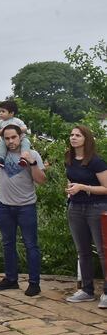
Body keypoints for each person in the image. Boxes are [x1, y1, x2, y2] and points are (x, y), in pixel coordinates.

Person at [0, 124, 46, 295]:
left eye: (14, 137)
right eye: (7, 138)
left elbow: (41, 180)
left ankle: (34, 283)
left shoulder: (32, 154)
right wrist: (0, 130)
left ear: (21, 137)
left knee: (31, 245)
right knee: (7, 244)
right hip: (4, 206)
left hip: (26, 207)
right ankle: (11, 279)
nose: (11, 141)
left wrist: (31, 163)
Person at [63, 125, 107, 307]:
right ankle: (87, 290)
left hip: (96, 208)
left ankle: (106, 292)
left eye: (77, 135)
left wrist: (84, 188)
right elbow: (71, 179)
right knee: (83, 251)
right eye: (72, 135)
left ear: (86, 139)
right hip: (75, 208)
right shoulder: (70, 159)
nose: (73, 138)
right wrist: (70, 190)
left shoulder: (96, 162)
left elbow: (106, 187)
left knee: (103, 252)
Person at [0, 100, 32, 168]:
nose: (0, 113)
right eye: (0, 111)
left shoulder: (16, 120)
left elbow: (25, 128)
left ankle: (24, 157)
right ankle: (0, 159)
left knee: (26, 142)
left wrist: (15, 129)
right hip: (6, 141)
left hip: (20, 139)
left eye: (3, 111)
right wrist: (2, 131)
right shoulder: (0, 122)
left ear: (11, 113)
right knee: (2, 144)